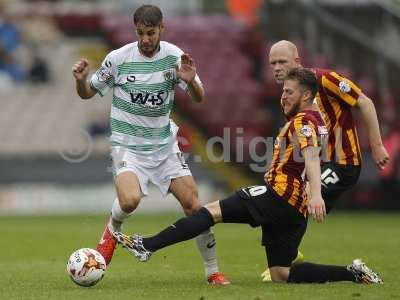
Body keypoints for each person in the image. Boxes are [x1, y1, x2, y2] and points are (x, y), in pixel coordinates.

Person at [113, 68, 383, 284]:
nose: (283, 97)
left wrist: (316, 195)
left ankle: (147, 245)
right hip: (294, 210)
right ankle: (353, 274)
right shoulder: (319, 121)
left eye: (289, 92)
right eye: (282, 91)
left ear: (305, 95)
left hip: (278, 195)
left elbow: (311, 157)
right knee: (281, 273)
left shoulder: (304, 121)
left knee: (209, 212)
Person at [71, 4, 229, 285]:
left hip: (164, 147)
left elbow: (199, 97)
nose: (145, 39)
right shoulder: (118, 59)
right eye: (141, 33)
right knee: (130, 200)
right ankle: (111, 231)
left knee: (194, 206)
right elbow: (87, 94)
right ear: (135, 31)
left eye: (151, 33)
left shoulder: (174, 56)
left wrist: (191, 82)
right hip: (127, 145)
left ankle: (213, 272)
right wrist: (81, 81)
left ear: (162, 29)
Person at [260, 40, 390, 281]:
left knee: (302, 197)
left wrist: (377, 145)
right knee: (285, 199)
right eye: (272, 63)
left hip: (343, 163)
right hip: (318, 162)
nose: (276, 68)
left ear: (297, 62)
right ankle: (285, 259)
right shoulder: (289, 95)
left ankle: (284, 261)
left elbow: (365, 102)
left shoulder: (325, 79)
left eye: (282, 62)